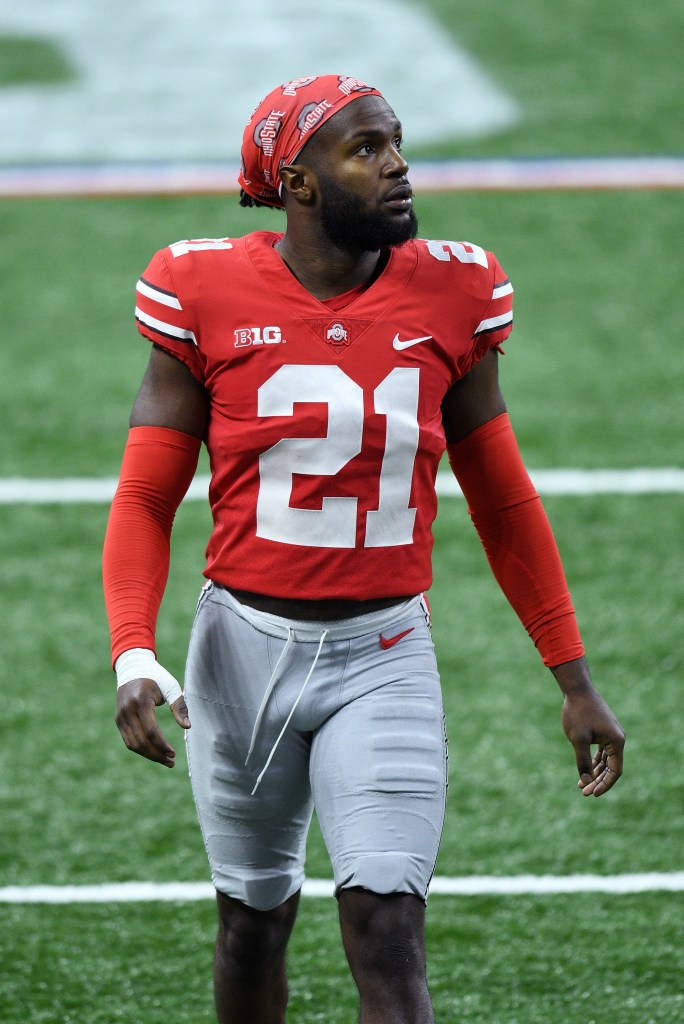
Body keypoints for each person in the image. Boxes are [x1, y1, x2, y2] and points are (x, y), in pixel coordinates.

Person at [103, 74, 625, 1024]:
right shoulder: (202, 287)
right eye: (367, 149)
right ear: (298, 183)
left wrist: (572, 673)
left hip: (385, 652)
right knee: (253, 922)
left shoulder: (455, 290)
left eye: (395, 140)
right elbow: (146, 495)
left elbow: (503, 498)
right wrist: (132, 647)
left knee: (389, 925)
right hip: (240, 651)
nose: (398, 165)